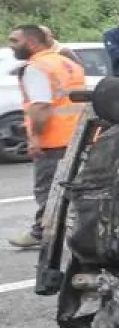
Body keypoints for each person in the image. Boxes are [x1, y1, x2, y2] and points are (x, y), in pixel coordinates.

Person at [7, 25, 86, 250]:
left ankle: (43, 232)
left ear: (31, 43)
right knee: (71, 187)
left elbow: (41, 106)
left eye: (14, 41)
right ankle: (74, 230)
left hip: (54, 140)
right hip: (78, 136)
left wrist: (35, 140)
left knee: (48, 190)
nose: (11, 46)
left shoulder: (37, 67)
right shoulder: (69, 63)